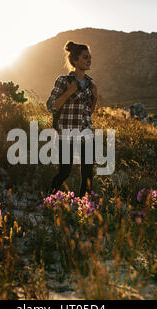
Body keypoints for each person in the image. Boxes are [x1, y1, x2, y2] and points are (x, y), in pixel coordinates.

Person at [46, 41, 99, 197]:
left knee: (88, 172)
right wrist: (68, 93)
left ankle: (84, 206)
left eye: (89, 57)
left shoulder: (90, 84)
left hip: (86, 133)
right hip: (66, 134)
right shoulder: (63, 81)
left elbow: (89, 113)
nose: (89, 60)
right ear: (75, 60)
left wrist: (95, 97)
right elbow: (51, 106)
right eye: (85, 57)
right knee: (65, 171)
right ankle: (48, 198)